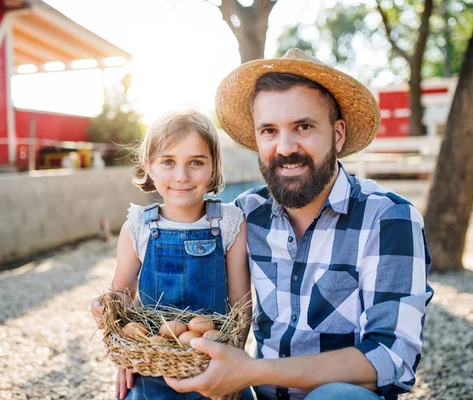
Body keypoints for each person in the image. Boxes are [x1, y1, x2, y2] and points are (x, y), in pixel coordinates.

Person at [163, 49, 434, 399]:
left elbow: (392, 357)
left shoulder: (388, 219)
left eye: (303, 127)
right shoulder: (244, 215)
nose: (285, 147)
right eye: (269, 131)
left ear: (337, 135)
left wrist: (251, 370)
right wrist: (143, 342)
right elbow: (176, 270)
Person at [89, 109, 252, 400]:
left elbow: (241, 307)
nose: (182, 176)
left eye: (196, 162)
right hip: (152, 369)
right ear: (148, 166)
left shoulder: (229, 223)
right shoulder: (137, 226)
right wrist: (109, 319)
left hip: (214, 365)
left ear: (214, 167)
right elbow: (121, 298)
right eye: (168, 161)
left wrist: (235, 364)